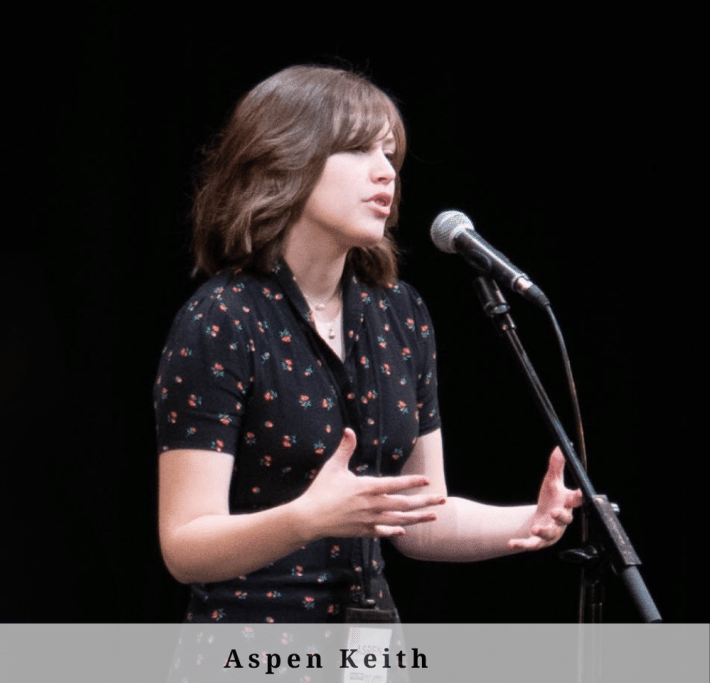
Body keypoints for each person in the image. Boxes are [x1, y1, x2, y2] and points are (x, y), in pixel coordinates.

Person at [154, 64, 582, 623]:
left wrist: (525, 523)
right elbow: (185, 546)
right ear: (286, 158)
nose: (386, 174)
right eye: (359, 150)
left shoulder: (399, 313)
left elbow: (421, 517)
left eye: (390, 156)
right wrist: (306, 518)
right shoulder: (223, 319)